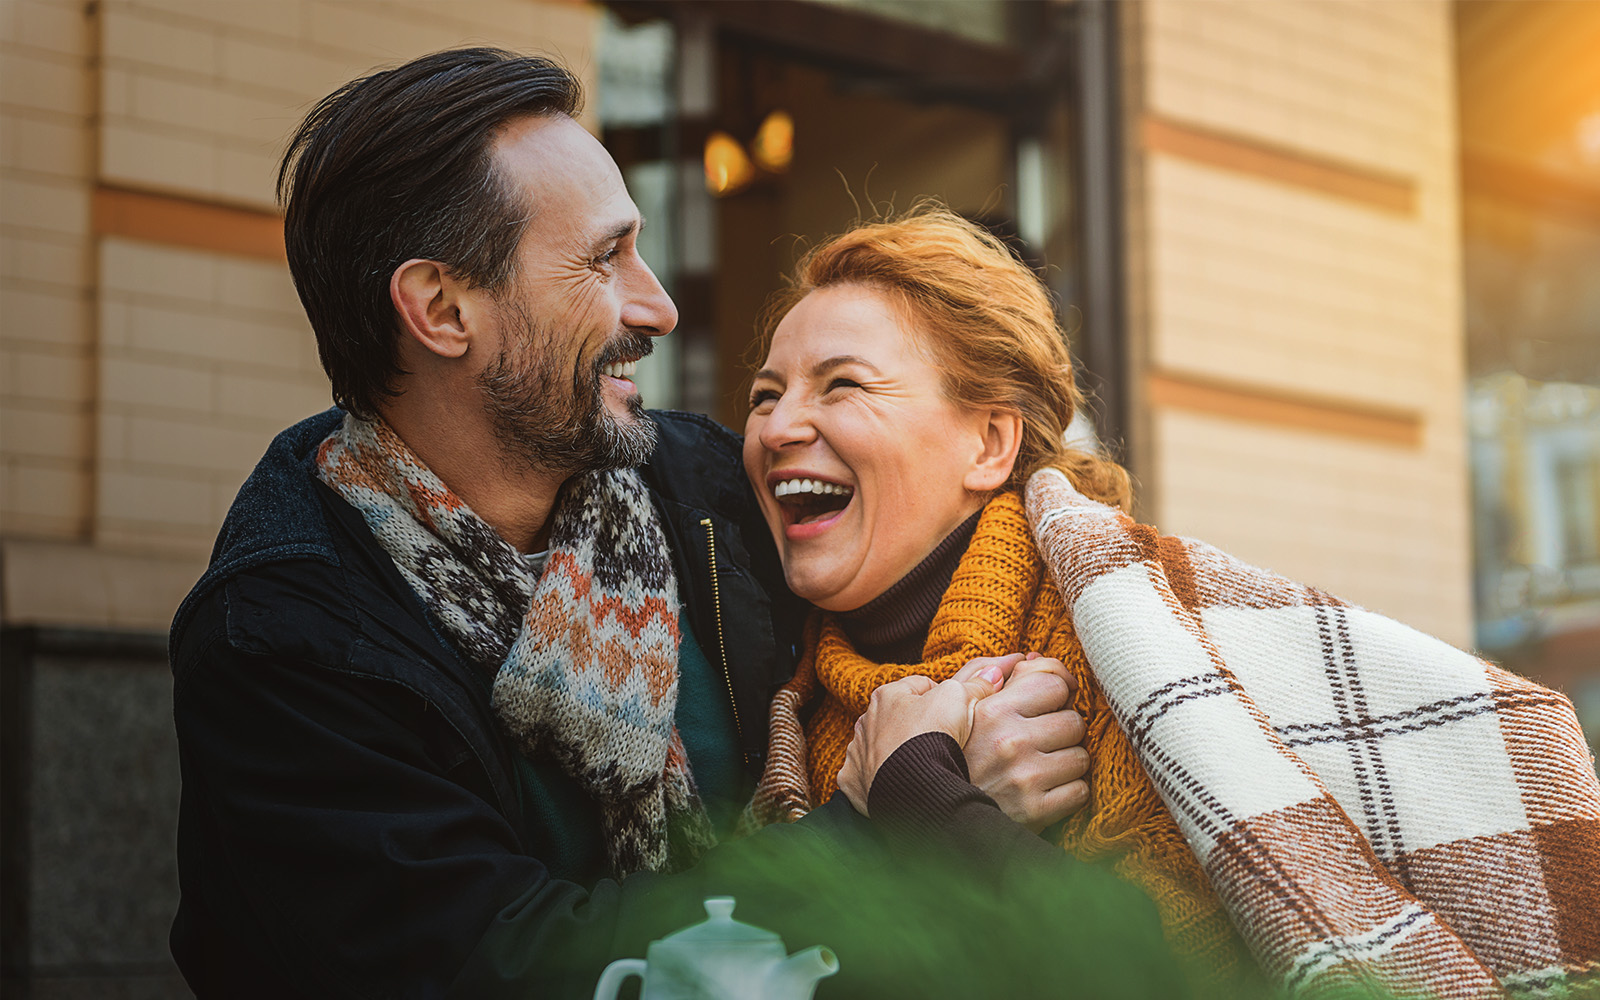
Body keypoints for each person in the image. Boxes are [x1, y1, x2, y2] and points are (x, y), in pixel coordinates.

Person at [167, 49, 1179, 1000]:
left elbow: (934, 539)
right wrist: (879, 827)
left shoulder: (703, 491)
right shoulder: (286, 639)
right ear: (440, 308)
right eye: (603, 260)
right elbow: (509, 967)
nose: (657, 307)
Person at [741, 205, 1600, 997]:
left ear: (989, 442)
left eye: (842, 385)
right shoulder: (773, 690)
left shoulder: (1147, 651)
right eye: (765, 396)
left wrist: (919, 798)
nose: (779, 428)